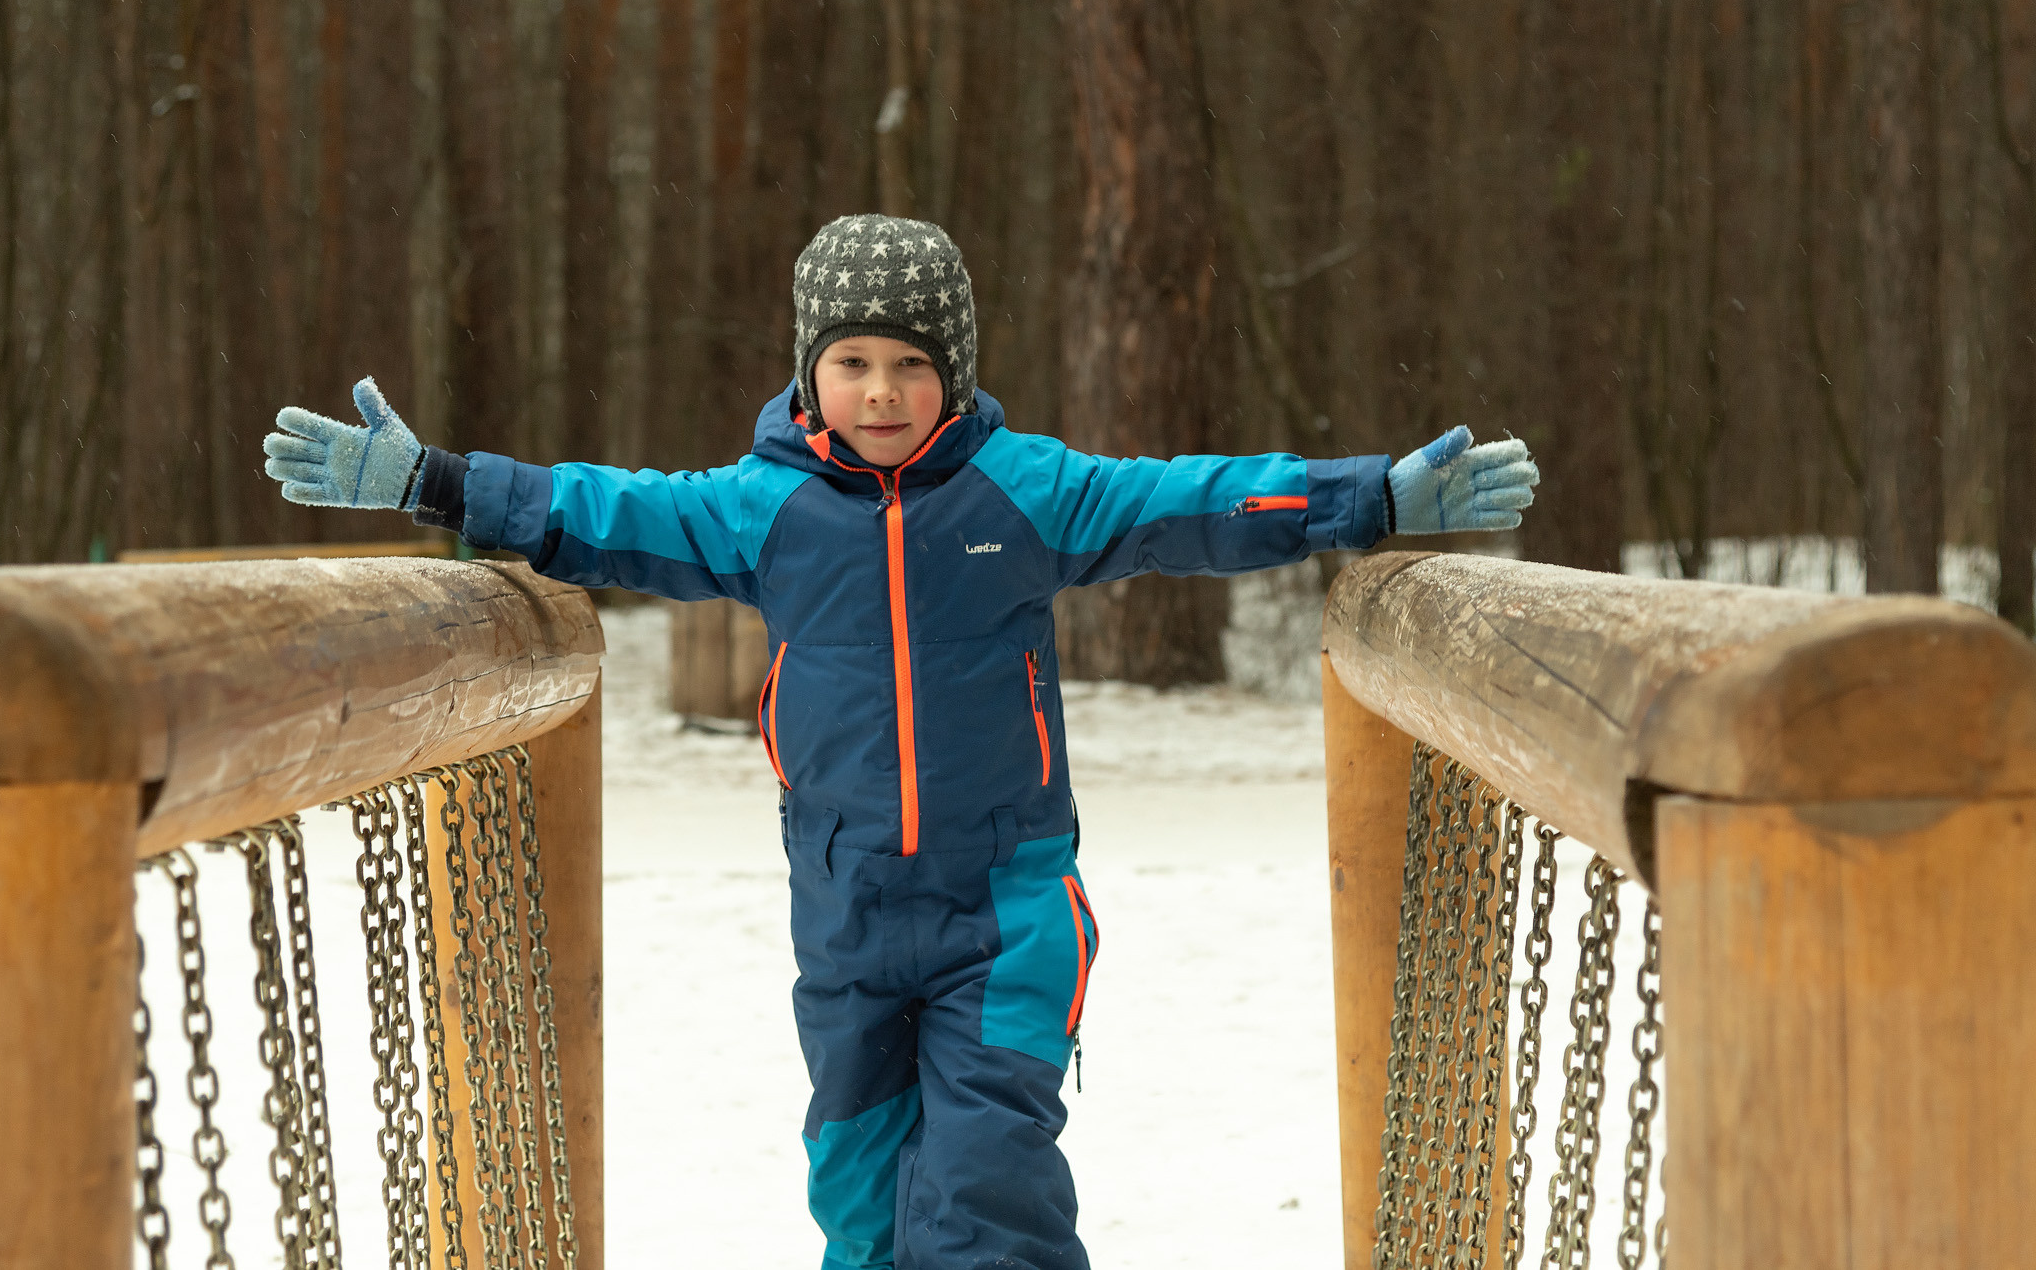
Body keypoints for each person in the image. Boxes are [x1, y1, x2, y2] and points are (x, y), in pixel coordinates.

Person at [263, 212, 1539, 1269]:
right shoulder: (765, 511)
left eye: (914, 366)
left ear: (959, 374)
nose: (883, 393)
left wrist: (1363, 497)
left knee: (986, 1202)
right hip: (850, 918)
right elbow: (588, 511)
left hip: (1006, 913)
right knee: (863, 1213)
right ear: (809, 370)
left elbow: (1191, 499)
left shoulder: (1023, 490)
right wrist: (432, 480)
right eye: (855, 362)